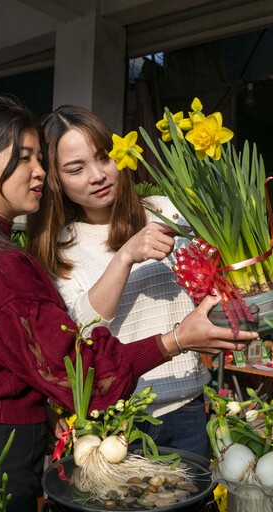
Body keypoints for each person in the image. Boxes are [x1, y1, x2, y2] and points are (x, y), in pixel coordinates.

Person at [0, 95, 256, 512]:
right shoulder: (2, 263)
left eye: (38, 158)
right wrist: (174, 340)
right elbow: (81, 374)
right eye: (26, 159)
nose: (39, 173)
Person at [27, 105, 212, 457]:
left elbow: (205, 278)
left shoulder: (163, 210)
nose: (97, 175)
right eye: (76, 169)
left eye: (103, 158)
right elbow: (80, 332)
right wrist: (125, 256)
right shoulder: (60, 248)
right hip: (114, 420)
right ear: (56, 179)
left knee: (187, 511)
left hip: (185, 404)